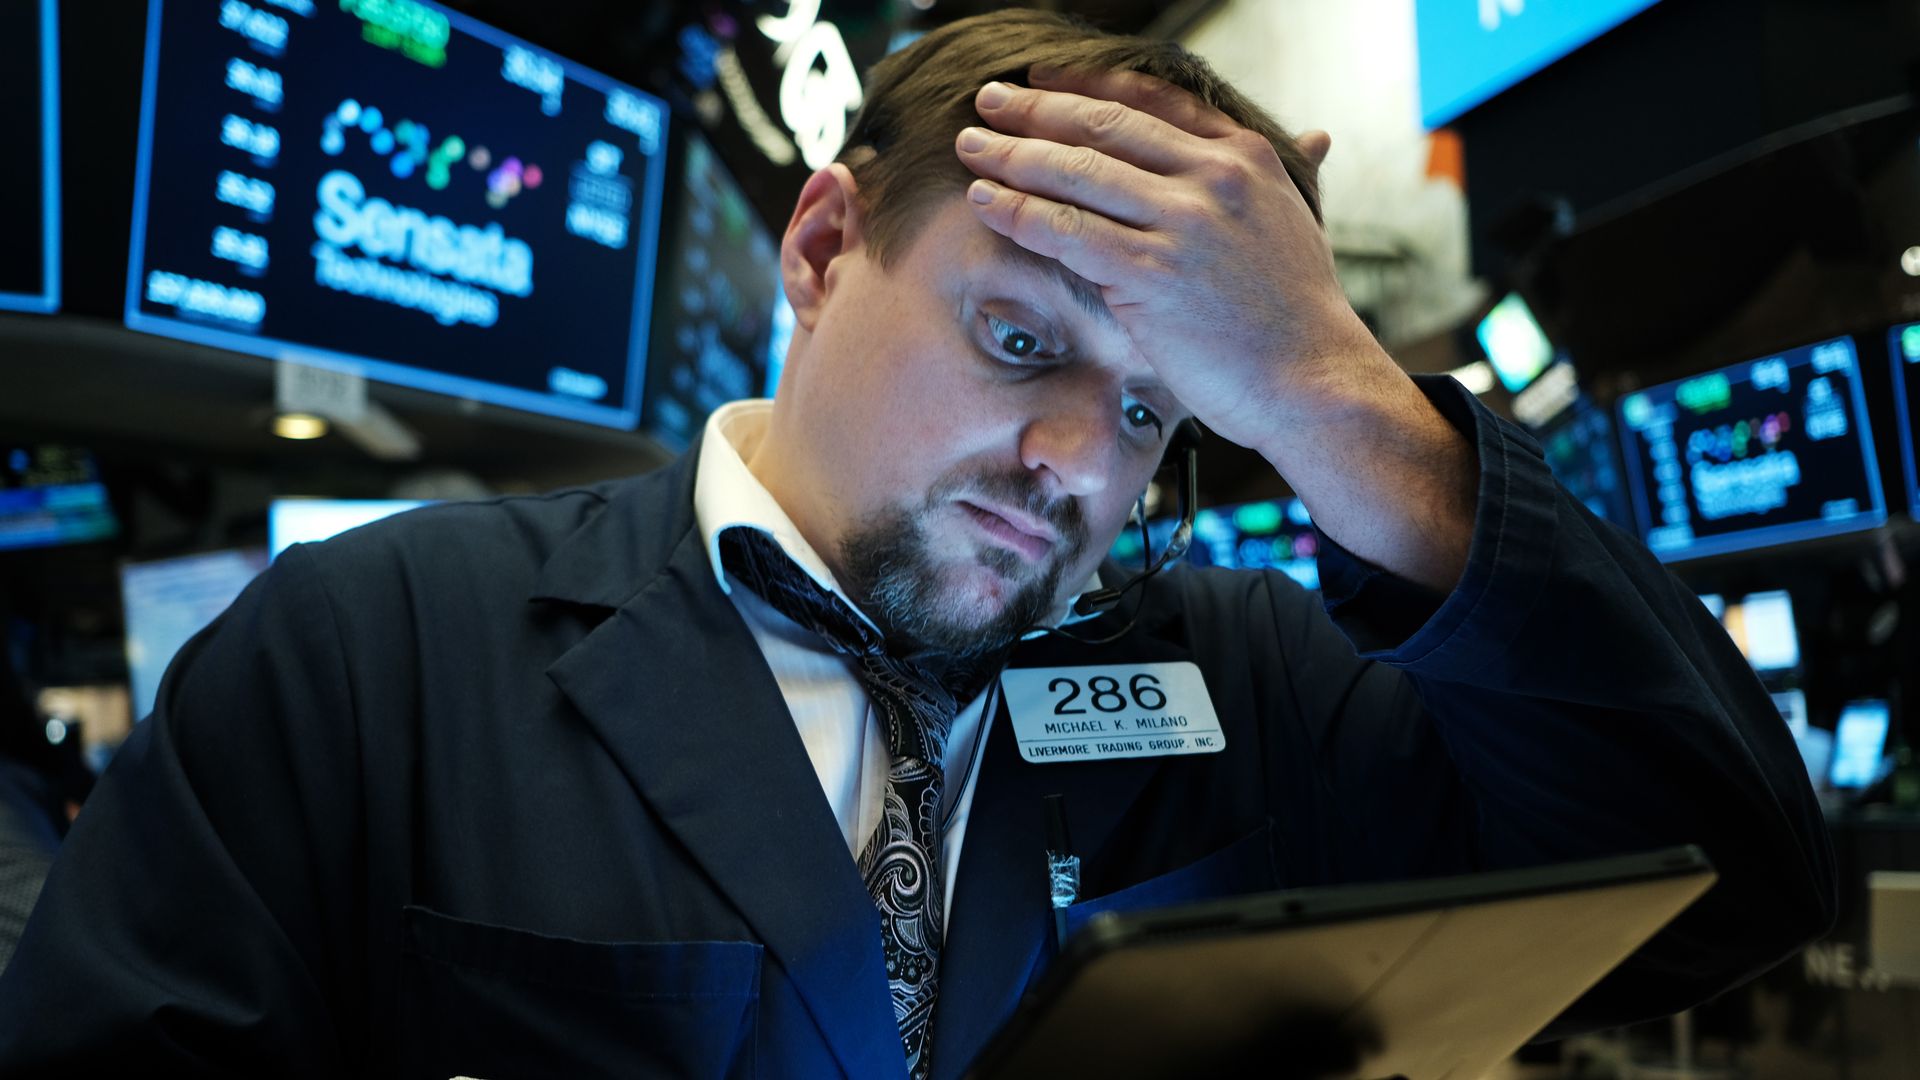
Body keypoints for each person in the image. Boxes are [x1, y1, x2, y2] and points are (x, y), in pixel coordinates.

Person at [0, 10, 1832, 1078]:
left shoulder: (1239, 680)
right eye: (1024, 339)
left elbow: (1724, 889)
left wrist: (1340, 397)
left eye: (1155, 405)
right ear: (820, 252)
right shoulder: (372, 652)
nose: (1071, 462)